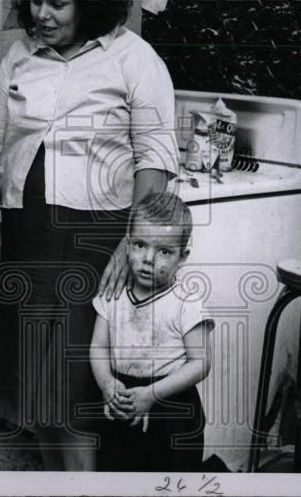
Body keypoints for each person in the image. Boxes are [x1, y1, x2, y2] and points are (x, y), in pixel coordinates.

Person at [0, 0, 179, 470]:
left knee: (77, 393)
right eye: (34, 1)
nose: (41, 14)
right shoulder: (19, 55)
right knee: (39, 390)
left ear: (90, 2)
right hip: (27, 236)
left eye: (57, 4)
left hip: (96, 240)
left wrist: (130, 248)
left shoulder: (134, 57)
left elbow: (155, 156)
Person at [89, 191, 214, 472]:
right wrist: (107, 383)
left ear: (182, 258)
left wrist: (152, 395)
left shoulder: (186, 301)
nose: (148, 258)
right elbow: (98, 347)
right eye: (140, 245)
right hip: (122, 398)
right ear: (128, 244)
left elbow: (201, 363)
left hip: (173, 406)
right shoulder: (113, 294)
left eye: (164, 251)